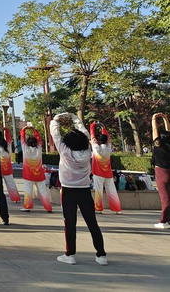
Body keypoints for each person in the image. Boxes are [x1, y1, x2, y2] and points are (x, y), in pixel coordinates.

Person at [50, 112, 107, 266]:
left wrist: (56, 119)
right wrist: (74, 117)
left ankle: (70, 254)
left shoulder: (64, 150)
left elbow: (55, 133)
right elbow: (84, 134)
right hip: (84, 191)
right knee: (92, 223)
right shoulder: (88, 152)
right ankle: (101, 255)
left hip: (68, 191)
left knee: (69, 223)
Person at [90, 122, 121, 214]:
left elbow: (92, 136)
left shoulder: (96, 148)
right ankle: (117, 209)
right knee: (112, 191)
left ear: (98, 141)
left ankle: (98, 209)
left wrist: (92, 126)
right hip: (108, 173)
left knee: (98, 191)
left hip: (98, 174)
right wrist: (103, 128)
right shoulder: (108, 148)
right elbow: (107, 138)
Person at [19, 127, 52, 213]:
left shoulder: (25, 148)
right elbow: (39, 138)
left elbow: (22, 137)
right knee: (43, 191)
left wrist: (24, 129)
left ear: (27, 143)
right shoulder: (39, 148)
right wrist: (34, 130)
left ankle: (27, 207)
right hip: (39, 174)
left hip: (28, 174)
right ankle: (48, 207)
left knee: (28, 191)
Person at [151, 113, 170, 229]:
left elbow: (154, 130)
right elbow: (168, 131)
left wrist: (154, 118)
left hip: (161, 172)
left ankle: (163, 221)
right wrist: (165, 119)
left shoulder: (159, 146)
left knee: (165, 198)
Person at [0, 128, 21, 203]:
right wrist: (6, 129)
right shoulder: (8, 146)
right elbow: (8, 137)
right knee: (11, 184)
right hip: (8, 169)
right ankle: (16, 198)